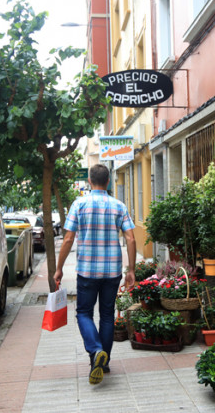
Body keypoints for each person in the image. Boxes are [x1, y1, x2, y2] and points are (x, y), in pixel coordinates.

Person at [54, 164, 136, 385]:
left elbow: (69, 239)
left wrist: (59, 267)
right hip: (112, 272)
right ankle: (104, 362)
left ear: (89, 182)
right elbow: (130, 238)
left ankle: (95, 351)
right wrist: (132, 270)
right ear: (108, 181)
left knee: (83, 313)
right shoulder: (119, 206)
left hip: (87, 271)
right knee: (107, 315)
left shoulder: (79, 204)